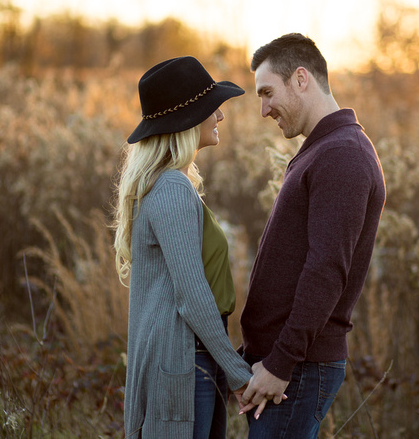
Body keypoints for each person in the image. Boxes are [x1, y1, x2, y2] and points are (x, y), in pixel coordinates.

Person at [238, 33, 386, 438]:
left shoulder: (342, 154)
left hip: (299, 369)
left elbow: (326, 271)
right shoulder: (323, 149)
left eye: (268, 93)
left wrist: (281, 362)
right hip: (288, 364)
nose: (264, 109)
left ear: (301, 79)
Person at [113, 56, 252, 439]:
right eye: (212, 108)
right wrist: (237, 374)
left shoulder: (164, 185)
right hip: (184, 362)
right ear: (188, 119)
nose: (220, 117)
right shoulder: (172, 188)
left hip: (187, 359)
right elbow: (192, 298)